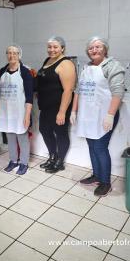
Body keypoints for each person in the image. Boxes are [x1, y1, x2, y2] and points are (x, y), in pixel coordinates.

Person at [71, 37, 125, 197]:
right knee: (92, 146)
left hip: (104, 115)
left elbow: (118, 92)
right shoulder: (86, 68)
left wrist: (110, 115)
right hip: (88, 115)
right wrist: (74, 111)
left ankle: (106, 183)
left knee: (100, 147)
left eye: (97, 47)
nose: (94, 50)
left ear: (105, 49)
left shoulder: (113, 66)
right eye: (90, 48)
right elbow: (78, 91)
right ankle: (96, 175)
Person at [36, 36, 76, 173]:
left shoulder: (66, 64)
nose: (51, 50)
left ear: (62, 48)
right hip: (46, 107)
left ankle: (60, 162)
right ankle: (52, 156)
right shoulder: (48, 60)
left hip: (59, 107)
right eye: (49, 47)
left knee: (60, 133)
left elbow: (68, 90)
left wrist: (62, 112)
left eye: (55, 47)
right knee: (44, 130)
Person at [0, 45, 33, 175]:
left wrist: (27, 115)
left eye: (15, 53)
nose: (12, 56)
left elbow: (29, 96)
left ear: (19, 55)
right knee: (10, 136)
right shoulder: (2, 71)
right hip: (6, 111)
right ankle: (13, 160)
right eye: (9, 53)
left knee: (22, 136)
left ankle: (24, 163)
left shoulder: (25, 72)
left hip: (20, 112)